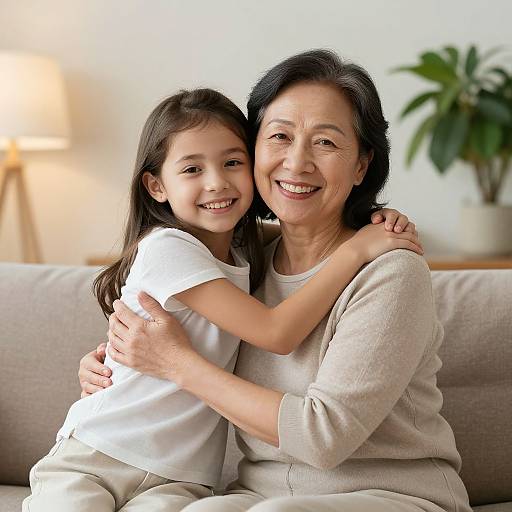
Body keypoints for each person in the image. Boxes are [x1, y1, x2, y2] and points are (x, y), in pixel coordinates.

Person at [80, 50, 472, 512]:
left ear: (362, 165)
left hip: (393, 496)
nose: (298, 161)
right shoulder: (244, 263)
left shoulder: (390, 272)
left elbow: (322, 437)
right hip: (261, 497)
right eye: (280, 137)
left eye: (325, 143)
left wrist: (177, 364)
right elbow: (166, 320)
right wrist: (113, 365)